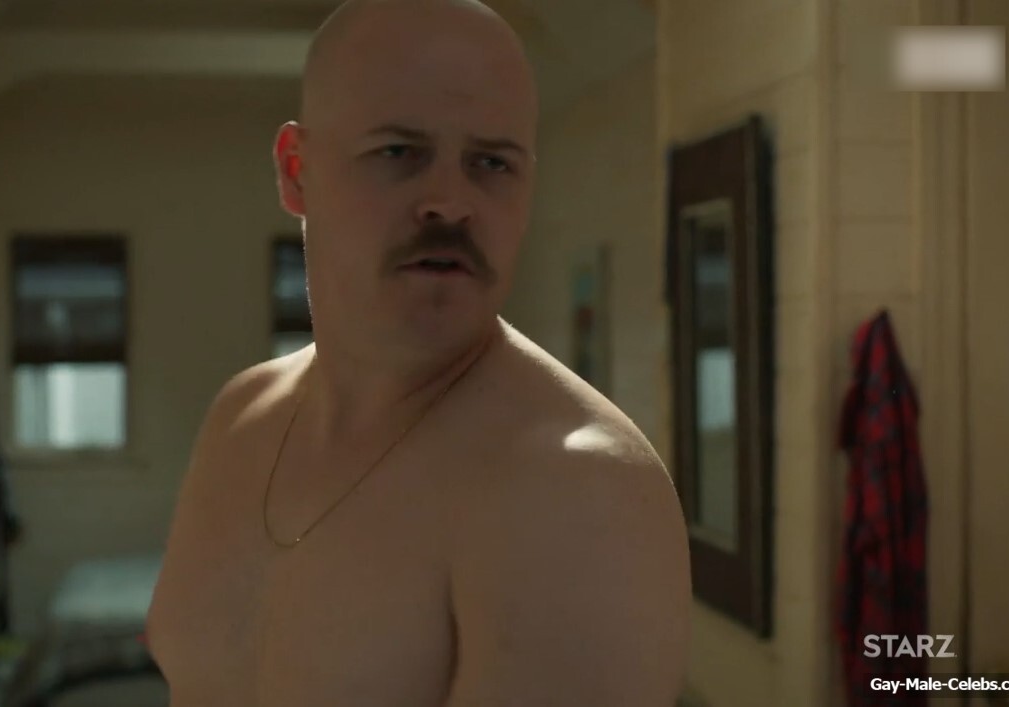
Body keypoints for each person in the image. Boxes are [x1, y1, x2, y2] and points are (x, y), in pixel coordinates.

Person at [146, 0, 691, 704]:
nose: (450, 202)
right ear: (296, 171)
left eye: (490, 163)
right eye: (399, 152)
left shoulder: (574, 490)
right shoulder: (240, 418)